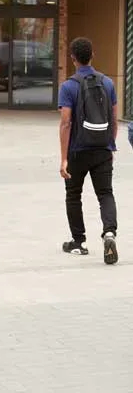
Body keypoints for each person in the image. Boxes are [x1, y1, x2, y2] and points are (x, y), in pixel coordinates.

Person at [59, 37, 118, 264]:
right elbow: (113, 118)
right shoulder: (108, 83)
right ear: (93, 54)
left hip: (77, 150)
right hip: (102, 149)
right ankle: (110, 232)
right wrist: (109, 145)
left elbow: (66, 122)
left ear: (72, 58)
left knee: (74, 194)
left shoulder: (69, 86)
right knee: (105, 193)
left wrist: (64, 158)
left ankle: (79, 242)